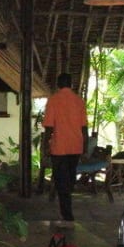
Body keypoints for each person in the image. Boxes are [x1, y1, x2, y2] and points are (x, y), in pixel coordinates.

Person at [42, 73, 89, 226]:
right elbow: (84, 128)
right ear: (71, 84)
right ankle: (66, 210)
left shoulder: (54, 100)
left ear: (58, 84)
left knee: (61, 180)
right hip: (75, 146)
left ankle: (67, 213)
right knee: (69, 178)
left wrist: (45, 146)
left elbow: (49, 127)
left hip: (59, 147)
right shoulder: (79, 101)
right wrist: (85, 148)